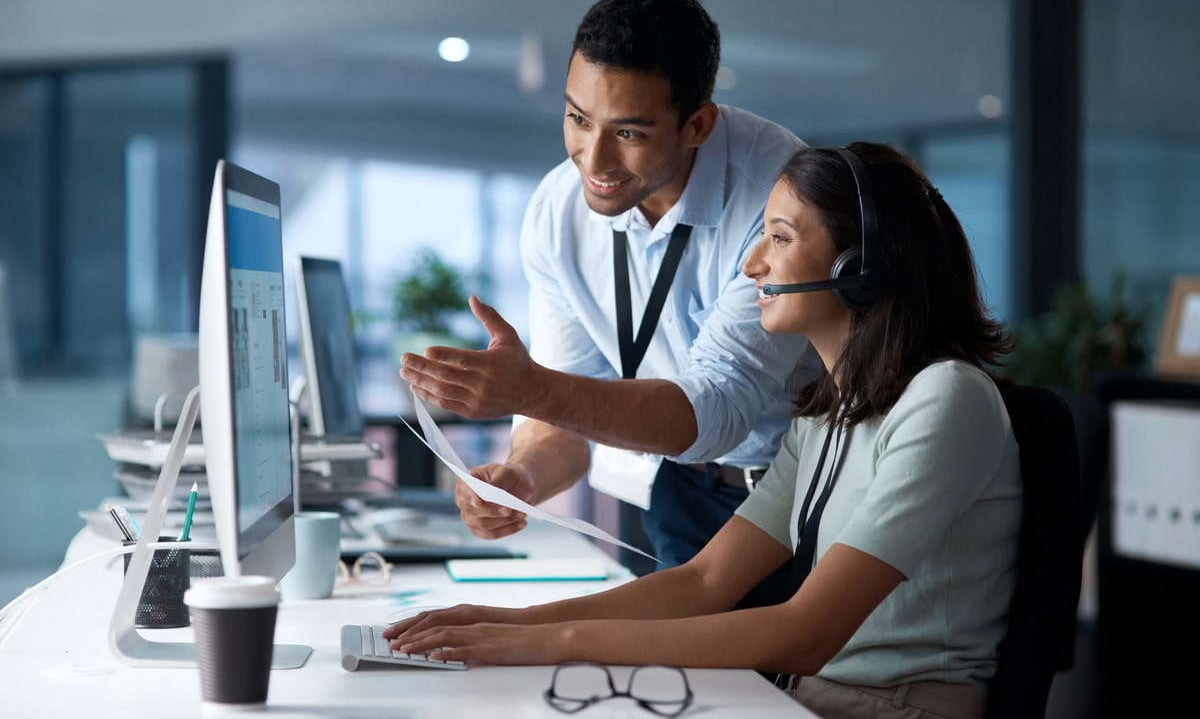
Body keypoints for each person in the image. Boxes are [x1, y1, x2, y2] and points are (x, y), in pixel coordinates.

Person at [385, 143, 1021, 719]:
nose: (752, 265)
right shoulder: (828, 411)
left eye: (778, 237)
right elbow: (706, 580)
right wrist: (508, 624)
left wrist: (550, 644)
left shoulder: (946, 399)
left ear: (862, 269)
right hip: (808, 699)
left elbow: (807, 632)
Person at [398, 0, 815, 595]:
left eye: (629, 133)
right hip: (680, 483)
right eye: (577, 118)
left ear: (697, 124)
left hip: (798, 497)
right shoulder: (556, 211)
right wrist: (522, 476)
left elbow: (720, 411)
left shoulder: (779, 197)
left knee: (770, 688)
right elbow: (563, 417)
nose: (592, 160)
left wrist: (533, 388)